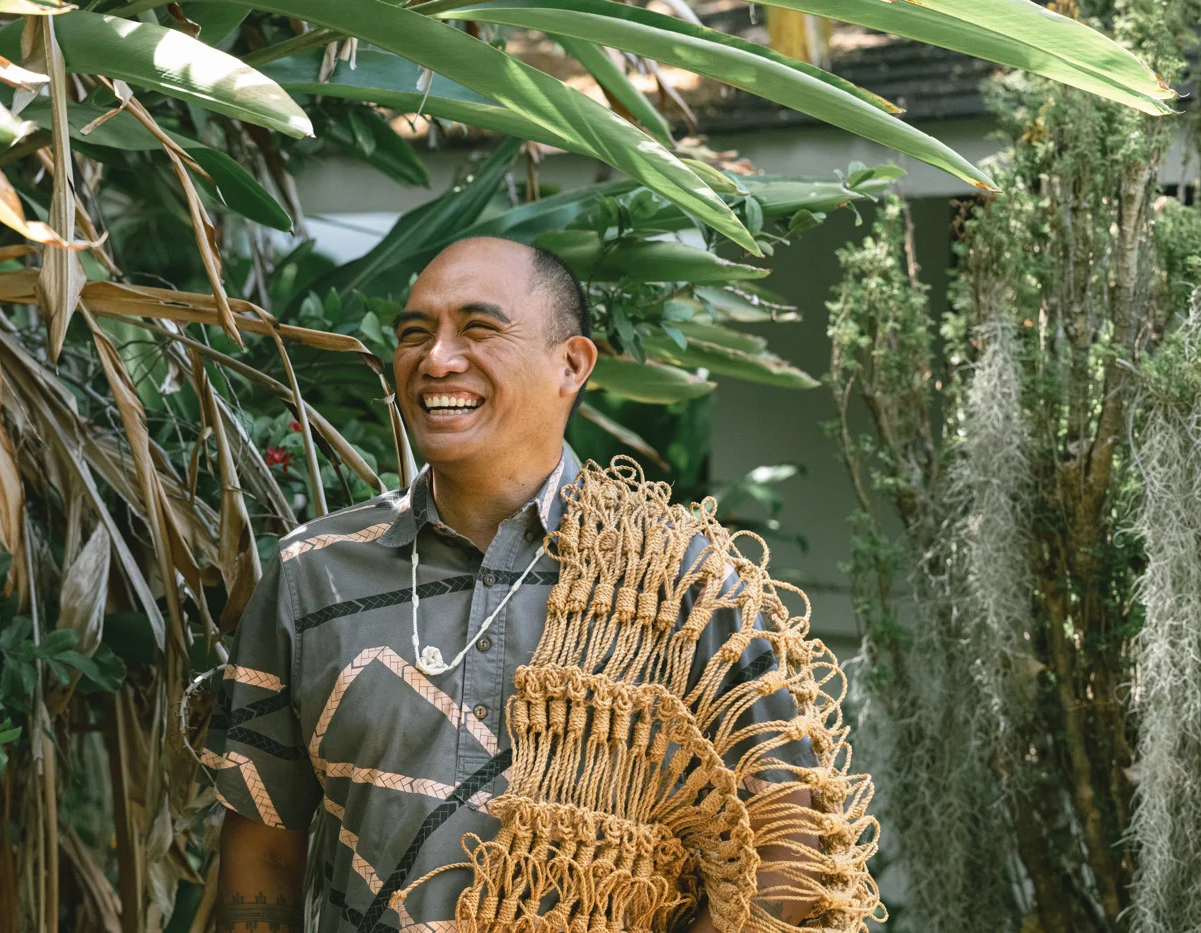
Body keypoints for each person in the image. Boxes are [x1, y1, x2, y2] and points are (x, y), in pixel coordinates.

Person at [202, 237, 826, 933]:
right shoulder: (311, 573)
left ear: (571, 363)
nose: (435, 359)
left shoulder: (679, 584)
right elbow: (263, 839)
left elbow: (789, 844)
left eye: (479, 329)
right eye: (415, 334)